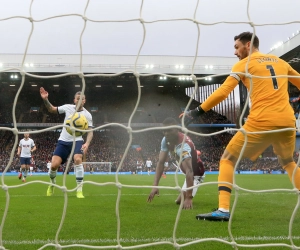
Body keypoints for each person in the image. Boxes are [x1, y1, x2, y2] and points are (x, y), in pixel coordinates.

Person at [181, 31, 300, 221]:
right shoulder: (281, 62)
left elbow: (223, 92)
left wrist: (195, 112)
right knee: (288, 162)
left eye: (237, 47)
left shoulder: (244, 64)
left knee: (227, 159)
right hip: (287, 121)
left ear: (248, 45)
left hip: (262, 120)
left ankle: (223, 210)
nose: (235, 52)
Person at [40, 87, 93, 198]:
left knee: (78, 159)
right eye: (78, 98)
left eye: (82, 99)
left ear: (85, 101)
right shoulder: (68, 108)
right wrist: (45, 99)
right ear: (74, 100)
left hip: (77, 140)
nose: (80, 101)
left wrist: (87, 143)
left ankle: (79, 190)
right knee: (54, 165)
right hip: (63, 141)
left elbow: (90, 132)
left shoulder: (88, 115)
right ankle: (52, 184)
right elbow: (52, 109)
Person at [147, 117, 205, 210]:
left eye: (169, 130)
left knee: (180, 202)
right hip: (187, 171)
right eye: (164, 131)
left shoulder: (184, 145)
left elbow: (190, 171)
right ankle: (185, 193)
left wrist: (189, 198)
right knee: (180, 201)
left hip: (196, 173)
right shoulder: (165, 140)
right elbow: (161, 162)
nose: (166, 133)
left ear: (177, 129)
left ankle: (188, 194)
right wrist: (155, 186)